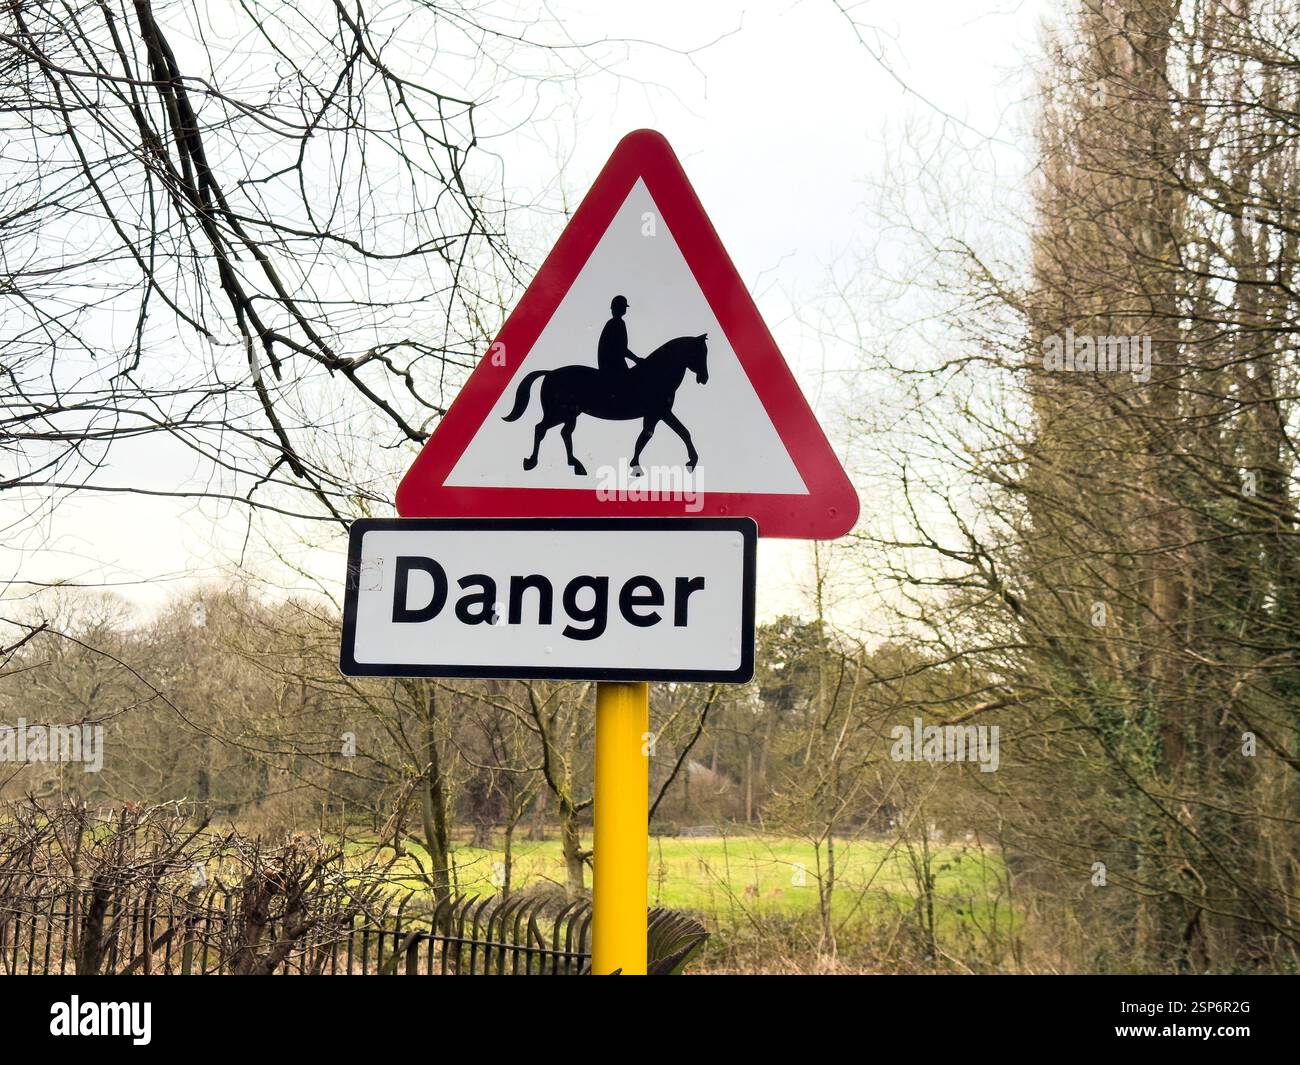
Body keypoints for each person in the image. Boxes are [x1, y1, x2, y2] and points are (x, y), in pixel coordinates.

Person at [597, 295, 641, 385]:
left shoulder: (612, 323)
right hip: (613, 363)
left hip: (608, 362)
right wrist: (636, 359)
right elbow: (622, 349)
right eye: (623, 307)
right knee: (630, 384)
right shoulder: (618, 323)